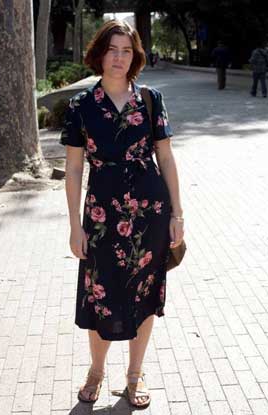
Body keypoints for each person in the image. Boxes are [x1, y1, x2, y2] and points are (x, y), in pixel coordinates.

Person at [60, 19, 184, 408]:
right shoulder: (81, 106)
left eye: (126, 50)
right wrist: (74, 226)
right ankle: (97, 371)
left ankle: (135, 373)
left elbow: (164, 155)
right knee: (99, 294)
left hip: (151, 212)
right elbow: (76, 168)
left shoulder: (150, 98)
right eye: (112, 49)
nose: (119, 57)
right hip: (100, 217)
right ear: (100, 54)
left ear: (136, 56)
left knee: (144, 294)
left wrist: (177, 214)